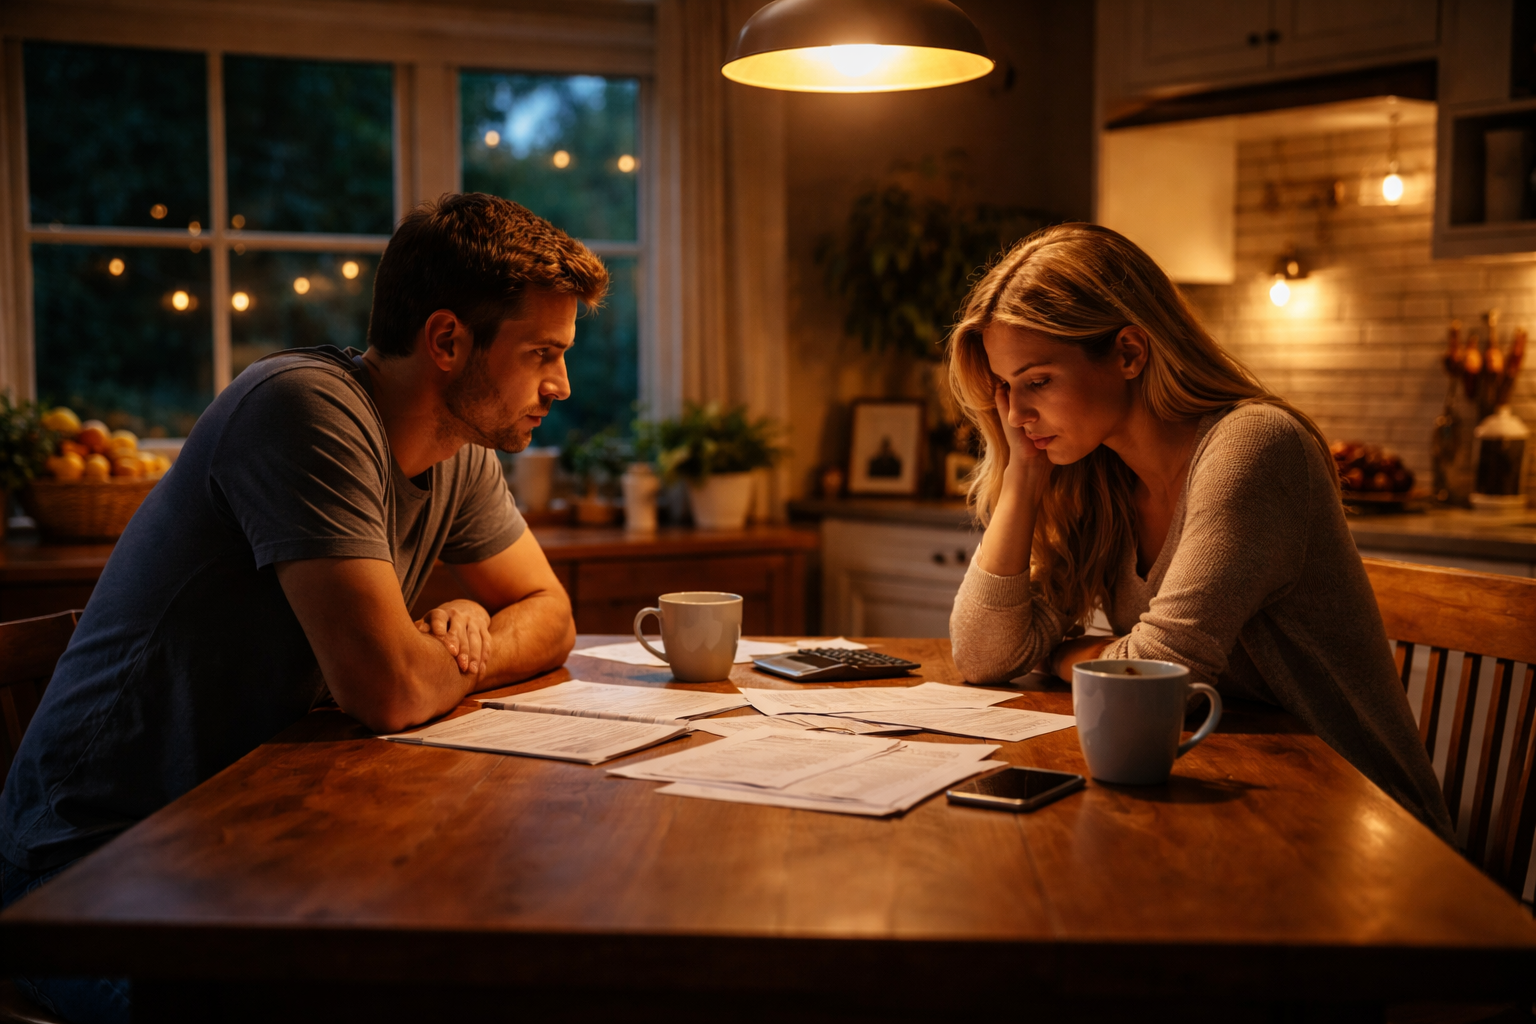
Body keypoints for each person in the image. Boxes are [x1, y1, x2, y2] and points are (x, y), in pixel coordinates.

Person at [0, 193, 604, 1022]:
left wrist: (467, 641)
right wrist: (432, 647)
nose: (561, 384)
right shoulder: (301, 410)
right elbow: (386, 688)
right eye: (543, 352)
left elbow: (550, 612)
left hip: (245, 844)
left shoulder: (456, 450)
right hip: (91, 875)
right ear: (447, 340)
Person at [946, 223, 1453, 839]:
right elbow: (980, 656)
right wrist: (1023, 475)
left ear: (1130, 353)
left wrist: (1062, 653)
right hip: (1235, 803)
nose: (1017, 414)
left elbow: (1162, 680)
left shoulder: (1254, 448)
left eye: (1039, 381)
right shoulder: (1099, 481)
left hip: (1369, 827)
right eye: (1005, 388)